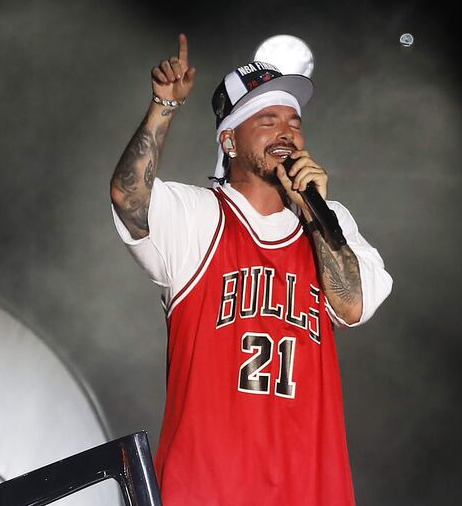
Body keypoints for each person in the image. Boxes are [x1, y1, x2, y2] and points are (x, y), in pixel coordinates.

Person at [109, 33, 393, 506]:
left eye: (294, 122)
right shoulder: (199, 215)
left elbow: (353, 305)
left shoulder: (330, 222)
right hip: (208, 490)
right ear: (229, 140)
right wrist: (164, 105)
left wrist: (316, 214)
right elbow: (129, 197)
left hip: (307, 492)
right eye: (267, 120)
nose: (286, 133)